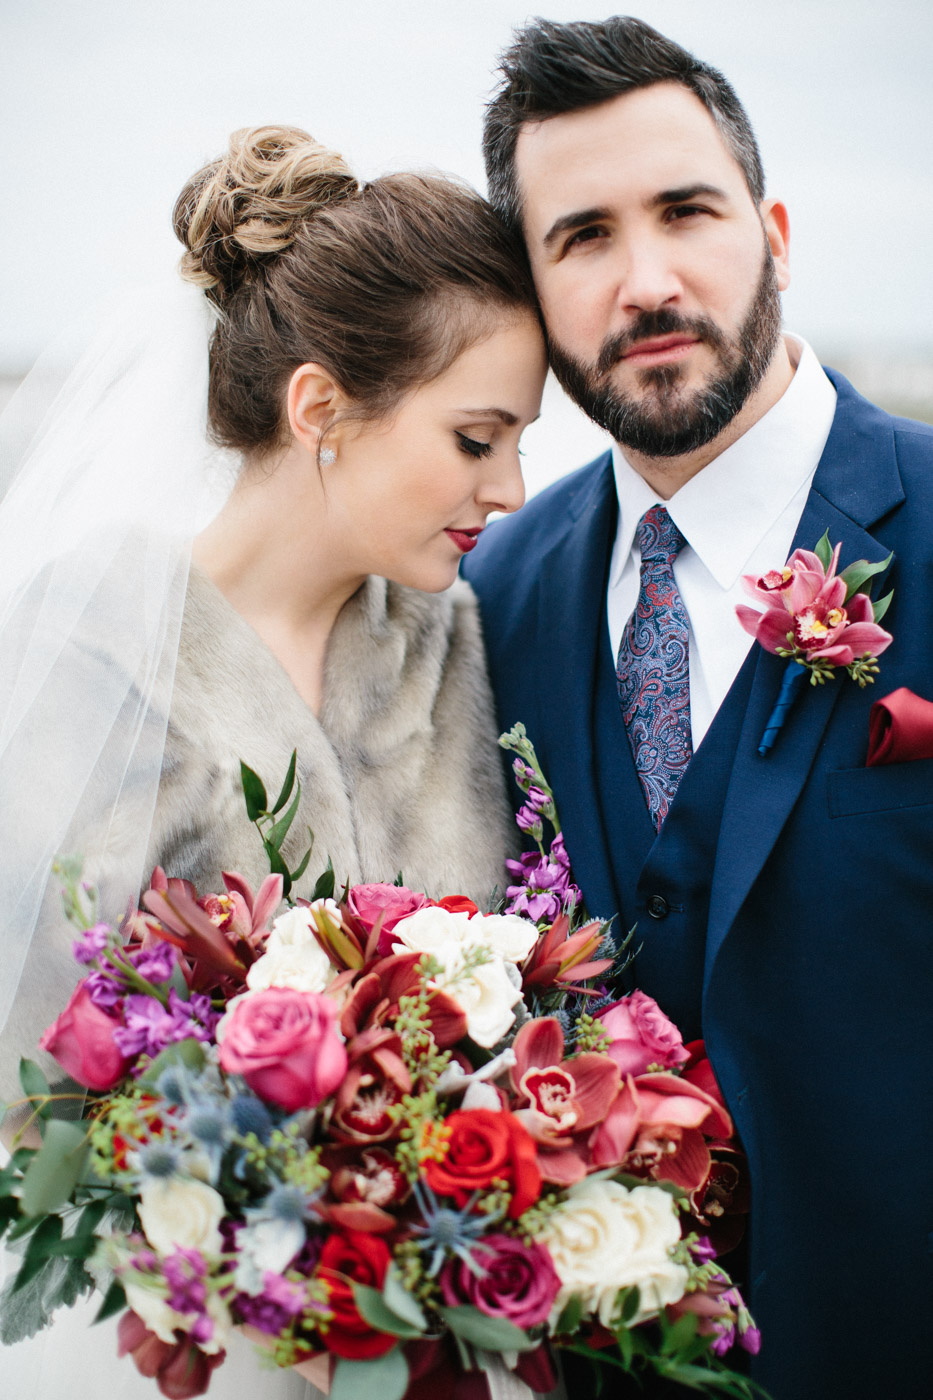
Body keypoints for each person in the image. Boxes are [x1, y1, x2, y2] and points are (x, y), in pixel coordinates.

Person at [0, 126, 547, 1398]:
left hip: (432, 1331)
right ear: (320, 408)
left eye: (521, 439)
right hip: (160, 1337)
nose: (514, 486)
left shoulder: (447, 638)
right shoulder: (86, 649)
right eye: (477, 439)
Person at [464, 17, 933, 1400]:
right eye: (582, 237)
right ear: (531, 296)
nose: (647, 279)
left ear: (773, 232)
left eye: (686, 212)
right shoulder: (486, 598)